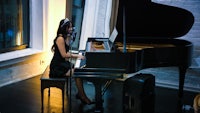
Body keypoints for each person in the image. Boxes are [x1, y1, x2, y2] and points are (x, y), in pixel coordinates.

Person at [49, 18, 93, 105]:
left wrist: (70, 38)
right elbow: (64, 55)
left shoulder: (65, 37)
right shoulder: (60, 39)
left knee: (78, 70)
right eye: (69, 27)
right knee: (77, 73)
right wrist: (77, 56)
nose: (71, 29)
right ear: (64, 28)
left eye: (71, 27)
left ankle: (80, 93)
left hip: (62, 63)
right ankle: (82, 96)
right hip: (57, 67)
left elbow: (66, 53)